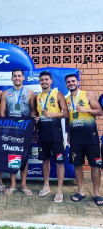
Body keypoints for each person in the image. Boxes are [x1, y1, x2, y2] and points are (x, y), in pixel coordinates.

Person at [65, 73, 103, 206]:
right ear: (66, 85)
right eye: (69, 82)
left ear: (77, 82)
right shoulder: (67, 99)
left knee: (95, 166)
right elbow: (69, 118)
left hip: (91, 138)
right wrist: (69, 135)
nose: (71, 83)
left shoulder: (88, 95)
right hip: (76, 139)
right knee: (77, 165)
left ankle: (97, 193)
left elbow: (99, 111)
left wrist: (85, 109)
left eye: (73, 81)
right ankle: (80, 191)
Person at [0, 68, 37, 195]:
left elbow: (33, 111)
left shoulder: (30, 93)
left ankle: (23, 184)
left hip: (25, 130)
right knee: (13, 157)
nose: (17, 78)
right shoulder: (6, 93)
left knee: (24, 156)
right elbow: (2, 113)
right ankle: (13, 184)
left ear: (23, 78)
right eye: (14, 76)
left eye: (19, 76)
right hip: (11, 130)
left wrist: (33, 121)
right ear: (11, 78)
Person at [35, 71, 68, 203]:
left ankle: (59, 190)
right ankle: (46, 186)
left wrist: (52, 115)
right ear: (39, 82)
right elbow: (38, 115)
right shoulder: (38, 97)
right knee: (45, 161)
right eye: (42, 80)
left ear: (51, 81)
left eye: (46, 79)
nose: (44, 81)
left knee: (60, 162)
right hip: (43, 135)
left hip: (56, 136)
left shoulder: (58, 94)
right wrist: (36, 124)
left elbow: (66, 113)